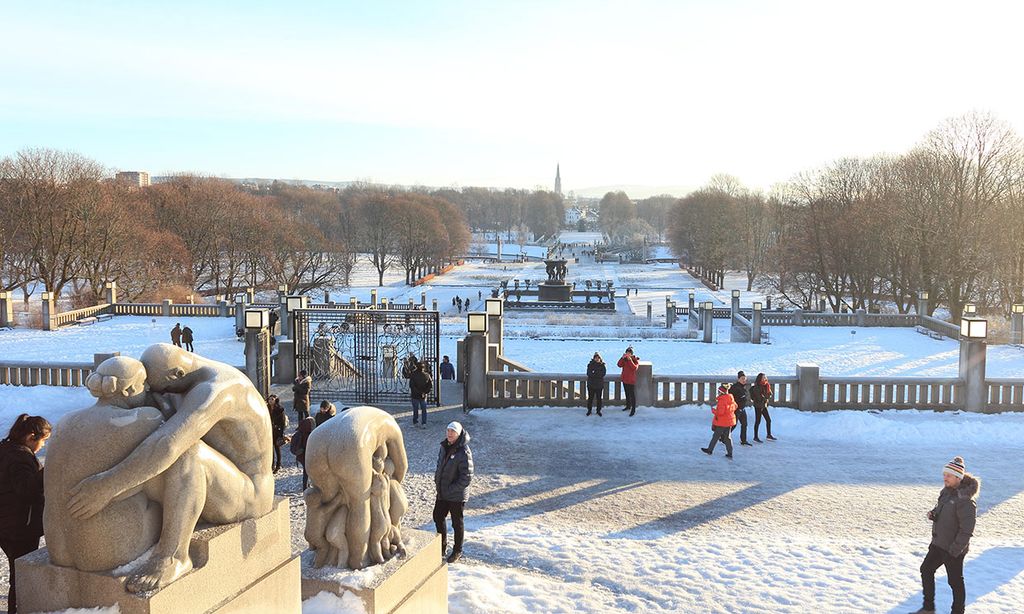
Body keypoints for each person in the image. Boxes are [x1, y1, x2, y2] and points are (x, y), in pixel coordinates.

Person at [912, 456, 979, 614]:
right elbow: (942, 510)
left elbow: (966, 531)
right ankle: (928, 608)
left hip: (953, 549)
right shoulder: (946, 492)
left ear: (958, 477)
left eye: (948, 475)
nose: (944, 478)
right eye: (944, 474)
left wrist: (954, 551)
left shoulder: (966, 501)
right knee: (926, 569)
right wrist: (933, 514)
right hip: (938, 544)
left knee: (955, 582)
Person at [0, 414, 50, 613]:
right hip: (19, 527)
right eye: (43, 440)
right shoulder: (20, 457)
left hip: (7, 522)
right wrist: (46, 471)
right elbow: (26, 489)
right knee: (21, 577)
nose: (43, 446)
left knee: (17, 572)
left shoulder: (6, 448)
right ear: (31, 436)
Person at [434, 421, 473, 564]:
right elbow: (440, 465)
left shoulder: (463, 451)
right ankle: (441, 547)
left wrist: (451, 489)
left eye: (453, 432)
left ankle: (457, 550)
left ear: (459, 434)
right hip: (443, 491)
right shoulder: (444, 446)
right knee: (438, 516)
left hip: (456, 494)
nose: (450, 434)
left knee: (457, 523)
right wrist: (437, 479)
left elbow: (467, 476)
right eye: (448, 431)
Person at [701, 384, 736, 459]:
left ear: (721, 392)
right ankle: (730, 453)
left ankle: (710, 450)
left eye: (719, 391)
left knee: (716, 436)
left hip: (722, 422)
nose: (718, 393)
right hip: (729, 421)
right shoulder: (731, 397)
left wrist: (713, 410)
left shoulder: (722, 400)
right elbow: (735, 406)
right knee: (727, 438)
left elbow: (720, 412)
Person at [291, 416, 317, 490]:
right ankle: (305, 487)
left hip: (300, 456)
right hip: (306, 456)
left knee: (306, 472)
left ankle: (306, 486)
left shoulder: (300, 431)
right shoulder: (309, 435)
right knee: (307, 472)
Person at [729, 371, 752, 446]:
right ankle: (723, 437)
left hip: (742, 409)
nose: (744, 380)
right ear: (738, 379)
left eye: (745, 379)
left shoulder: (743, 387)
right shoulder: (734, 387)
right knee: (733, 425)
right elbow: (730, 398)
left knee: (744, 424)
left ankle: (743, 440)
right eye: (742, 379)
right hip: (736, 409)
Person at [750, 373, 776, 442]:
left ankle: (768, 435)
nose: (765, 378)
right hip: (758, 406)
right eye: (763, 377)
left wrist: (767, 395)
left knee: (768, 420)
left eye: (765, 377)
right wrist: (766, 396)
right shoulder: (757, 387)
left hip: (763, 406)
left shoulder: (766, 385)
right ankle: (755, 437)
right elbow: (760, 398)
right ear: (760, 379)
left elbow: (769, 394)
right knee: (758, 421)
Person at [267, 395, 289, 473]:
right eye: (269, 399)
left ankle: (278, 465)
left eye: (272, 399)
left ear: (276, 400)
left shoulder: (280, 409)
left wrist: (281, 433)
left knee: (277, 448)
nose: (270, 401)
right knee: (270, 449)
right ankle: (271, 464)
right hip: (269, 430)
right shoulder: (266, 408)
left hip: (277, 431)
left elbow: (282, 422)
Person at [409, 360, 433, 429]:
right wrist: (425, 392)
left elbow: (412, 386)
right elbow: (430, 386)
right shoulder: (427, 375)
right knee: (424, 410)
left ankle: (415, 421)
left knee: (415, 409)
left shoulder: (413, 375)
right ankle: (424, 423)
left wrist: (418, 392)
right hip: (423, 396)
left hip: (415, 395)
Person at [617, 346, 639, 417]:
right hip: (625, 379)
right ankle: (628, 406)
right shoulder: (624, 359)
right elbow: (619, 365)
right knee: (627, 393)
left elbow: (634, 368)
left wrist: (630, 360)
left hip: (631, 380)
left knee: (632, 395)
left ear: (632, 354)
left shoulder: (635, 360)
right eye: (627, 353)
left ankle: (633, 409)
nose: (628, 354)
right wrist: (622, 358)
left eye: (629, 353)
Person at [586, 352, 606, 417]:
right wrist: (596, 374)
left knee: (599, 399)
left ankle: (598, 411)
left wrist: (594, 373)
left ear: (600, 358)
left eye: (598, 358)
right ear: (594, 358)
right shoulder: (590, 365)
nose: (597, 359)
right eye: (596, 358)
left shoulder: (602, 365)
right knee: (590, 398)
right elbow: (589, 373)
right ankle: (589, 410)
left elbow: (603, 374)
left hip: (599, 385)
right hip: (591, 385)